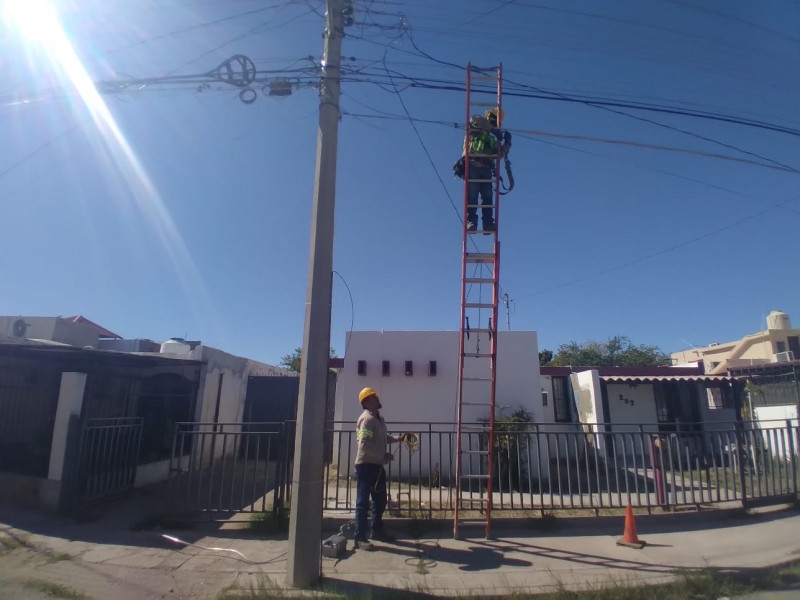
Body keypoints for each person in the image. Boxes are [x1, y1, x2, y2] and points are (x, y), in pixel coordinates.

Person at [353, 386, 405, 550]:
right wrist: (382, 456)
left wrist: (398, 438)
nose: (377, 399)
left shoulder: (378, 419)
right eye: (374, 397)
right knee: (363, 503)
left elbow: (382, 438)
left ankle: (376, 530)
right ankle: (360, 537)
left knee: (380, 500)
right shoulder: (367, 419)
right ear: (367, 402)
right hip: (366, 465)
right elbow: (365, 445)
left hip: (376, 466)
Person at [461, 107, 511, 233]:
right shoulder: (476, 126)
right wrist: (493, 130)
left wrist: (507, 143)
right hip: (473, 165)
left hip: (486, 168)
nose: (493, 122)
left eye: (496, 121)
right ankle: (471, 222)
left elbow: (499, 155)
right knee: (472, 197)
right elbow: (477, 119)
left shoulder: (494, 138)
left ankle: (488, 223)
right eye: (493, 119)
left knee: (487, 198)